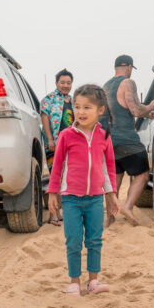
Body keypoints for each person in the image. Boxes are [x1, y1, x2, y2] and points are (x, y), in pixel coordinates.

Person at [47, 84, 120, 296]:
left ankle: (93, 282)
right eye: (77, 106)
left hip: (95, 199)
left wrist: (111, 195)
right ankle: (74, 282)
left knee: (95, 240)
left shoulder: (104, 136)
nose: (81, 111)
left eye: (87, 107)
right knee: (73, 241)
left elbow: (108, 168)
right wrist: (52, 192)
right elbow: (58, 166)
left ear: (100, 110)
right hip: (71, 199)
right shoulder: (66, 135)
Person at [103, 55, 154, 226]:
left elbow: (121, 109)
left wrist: (146, 113)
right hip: (127, 139)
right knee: (142, 174)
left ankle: (110, 218)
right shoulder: (128, 83)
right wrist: (151, 106)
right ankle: (127, 207)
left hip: (109, 141)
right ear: (129, 67)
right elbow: (135, 110)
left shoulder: (106, 86)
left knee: (115, 179)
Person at [40, 69, 74, 225]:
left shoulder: (73, 101)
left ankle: (62, 212)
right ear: (56, 83)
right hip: (54, 144)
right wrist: (50, 140)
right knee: (55, 177)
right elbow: (45, 118)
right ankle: (53, 214)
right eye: (62, 82)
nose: (65, 85)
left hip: (71, 144)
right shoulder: (49, 99)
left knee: (67, 178)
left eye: (68, 83)